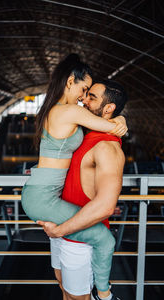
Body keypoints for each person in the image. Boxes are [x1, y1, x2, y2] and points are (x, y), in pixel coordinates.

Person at [21, 54, 127, 295]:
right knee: (106, 240)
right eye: (84, 88)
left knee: (64, 285)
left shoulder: (56, 109)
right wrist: (120, 117)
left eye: (89, 92)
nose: (83, 96)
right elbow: (113, 127)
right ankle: (104, 294)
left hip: (40, 193)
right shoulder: (69, 111)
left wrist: (116, 115)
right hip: (43, 198)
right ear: (70, 81)